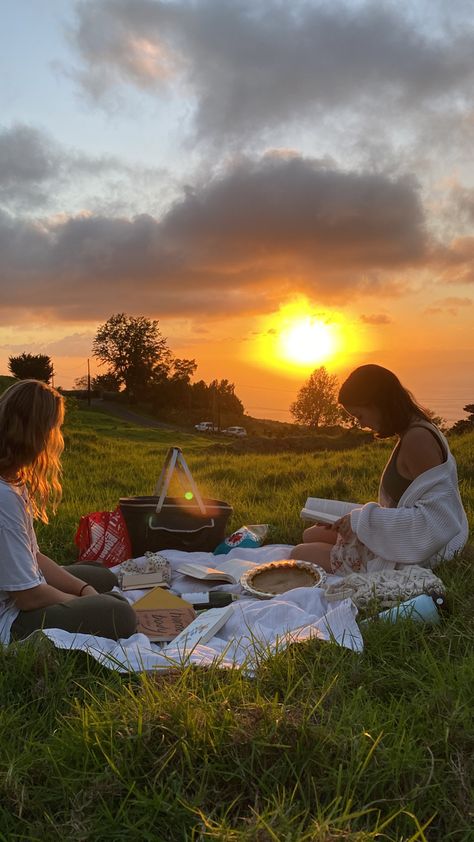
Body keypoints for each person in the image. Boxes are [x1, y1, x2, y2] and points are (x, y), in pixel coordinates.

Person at [291, 364, 468, 575]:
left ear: (378, 404)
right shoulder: (413, 431)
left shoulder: (417, 440)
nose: (361, 424)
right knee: (311, 534)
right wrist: (348, 518)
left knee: (301, 553)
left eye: (359, 416)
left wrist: (357, 521)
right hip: (401, 534)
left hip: (423, 549)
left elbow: (434, 521)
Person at [0, 379, 136, 644]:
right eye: (54, 429)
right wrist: (78, 602)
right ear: (36, 433)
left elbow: (34, 556)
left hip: (23, 591)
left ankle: (98, 596)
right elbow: (28, 597)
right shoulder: (3, 498)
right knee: (121, 615)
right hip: (11, 618)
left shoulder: (13, 480)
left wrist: (86, 590)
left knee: (102, 575)